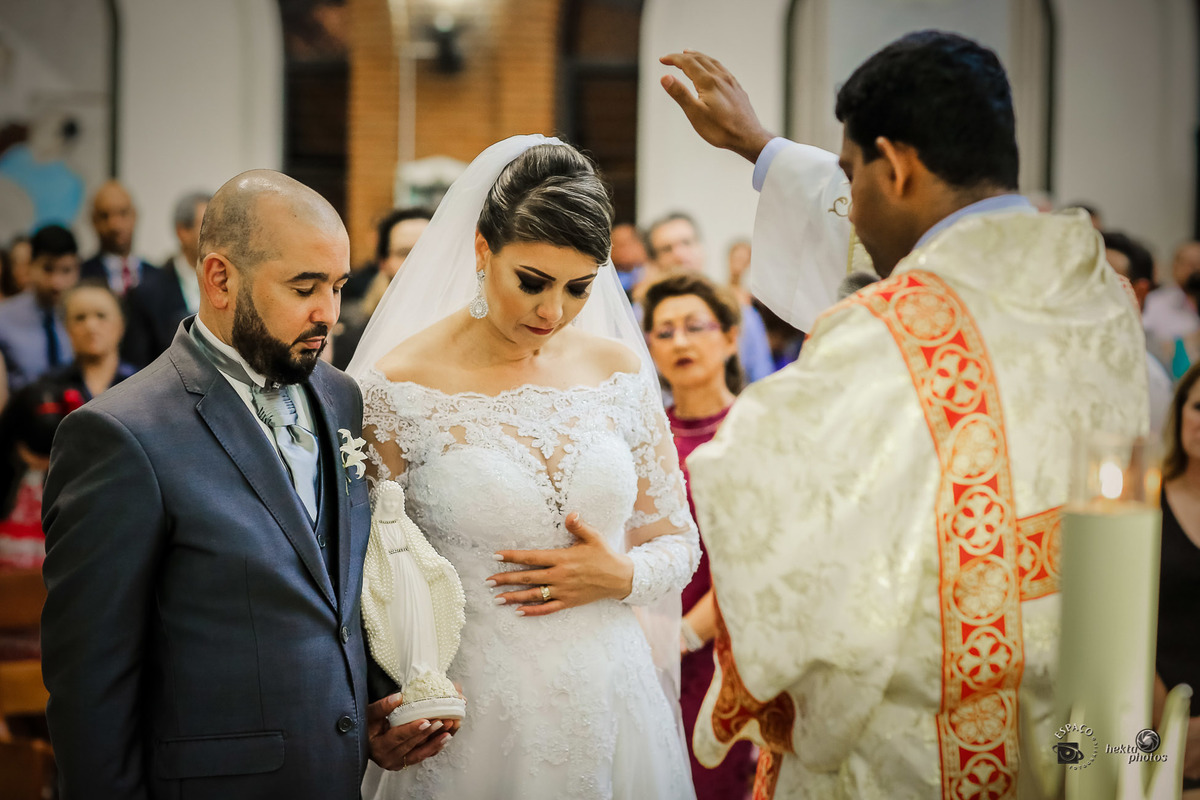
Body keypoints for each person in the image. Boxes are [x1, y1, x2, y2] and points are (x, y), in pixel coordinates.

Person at [660, 35, 1148, 798]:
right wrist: (761, 150)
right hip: (1083, 720)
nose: (847, 201)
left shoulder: (888, 329)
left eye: (851, 174)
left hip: (929, 737)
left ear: (899, 165)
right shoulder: (1095, 288)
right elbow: (937, 241)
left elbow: (745, 475)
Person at [41, 169, 450, 799]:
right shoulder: (119, 435)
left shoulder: (339, 396)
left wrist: (371, 706)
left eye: (338, 287)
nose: (328, 314)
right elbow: (90, 684)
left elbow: (327, 589)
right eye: (304, 287)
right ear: (220, 279)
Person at [348, 136, 699, 799]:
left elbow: (680, 542)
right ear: (483, 251)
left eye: (578, 288)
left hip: (609, 697)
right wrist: (389, 694)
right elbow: (368, 572)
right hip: (473, 714)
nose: (552, 312)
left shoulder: (618, 371)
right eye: (532, 282)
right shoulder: (395, 389)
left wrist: (622, 574)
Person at [643, 272, 755, 800]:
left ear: (731, 336)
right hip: (648, 646)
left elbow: (762, 558)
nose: (680, 342)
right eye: (664, 332)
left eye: (695, 326)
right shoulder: (647, 437)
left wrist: (686, 636)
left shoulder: (756, 430)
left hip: (726, 648)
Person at [0, 283, 136, 568]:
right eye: (79, 317)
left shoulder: (145, 388)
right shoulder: (41, 392)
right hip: (62, 527)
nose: (91, 326)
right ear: (66, 327)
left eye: (101, 315)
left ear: (121, 325)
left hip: (130, 524)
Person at [644, 212, 776, 382]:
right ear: (654, 260)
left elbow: (762, 380)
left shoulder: (741, 313)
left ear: (701, 248)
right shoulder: (638, 317)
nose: (679, 254)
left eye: (686, 243)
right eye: (667, 249)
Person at [1156, 363, 1200, 796]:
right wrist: (1170, 726)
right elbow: (1122, 621)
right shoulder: (1145, 499)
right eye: (1199, 406)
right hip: (1153, 717)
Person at [333, 207, 432, 370]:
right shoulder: (356, 342)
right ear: (383, 262)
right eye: (405, 253)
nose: (418, 261)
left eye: (429, 251)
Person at [123, 190, 211, 366]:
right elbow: (138, 366)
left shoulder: (233, 286)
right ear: (182, 232)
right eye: (209, 226)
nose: (219, 235)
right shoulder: (146, 293)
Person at [0, 224, 79, 394]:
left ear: (77, 270)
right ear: (30, 265)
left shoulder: (86, 317)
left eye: (66, 270)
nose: (56, 282)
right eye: (47, 269)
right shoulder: (4, 318)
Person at [79, 180, 156, 296]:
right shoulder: (81, 276)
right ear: (93, 221)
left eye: (123, 213)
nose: (115, 225)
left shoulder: (159, 276)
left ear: (134, 215)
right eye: (105, 216)